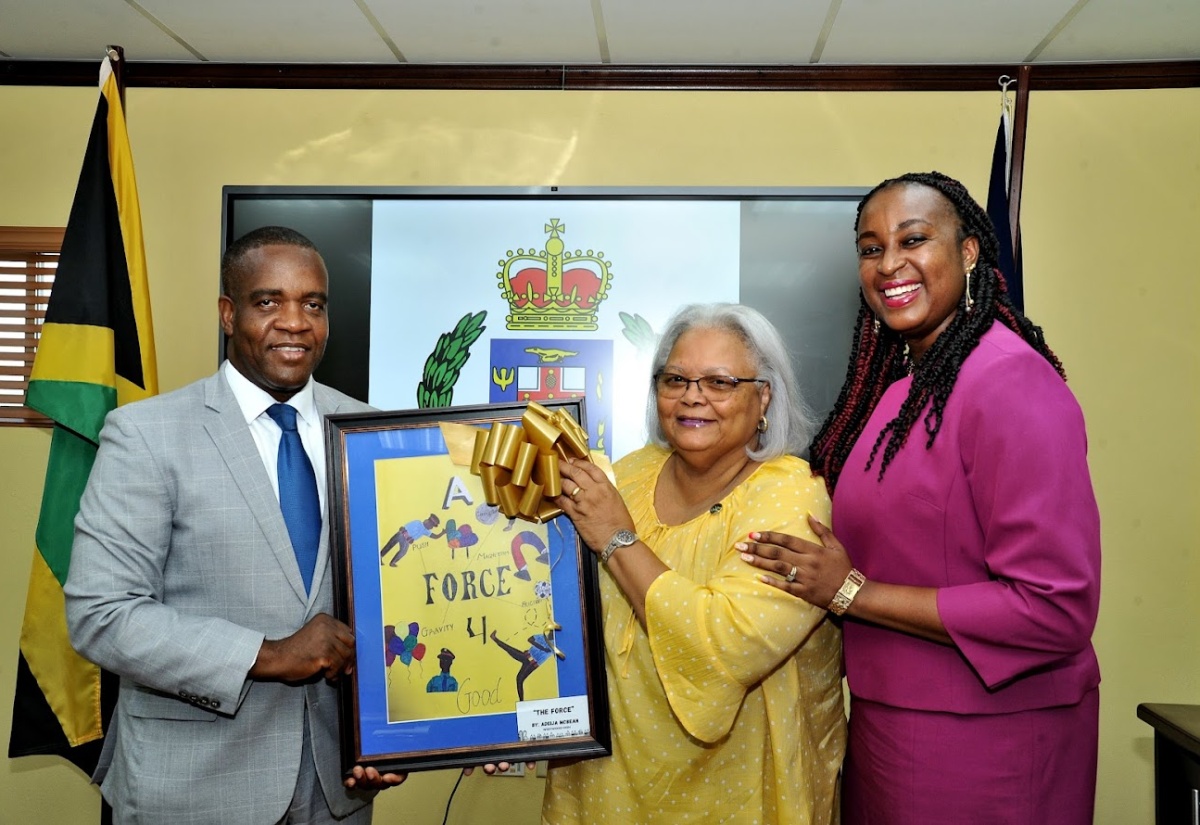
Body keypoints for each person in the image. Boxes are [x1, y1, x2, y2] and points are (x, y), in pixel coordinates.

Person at [741, 171, 1101, 824]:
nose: (889, 264)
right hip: (888, 723)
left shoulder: (1013, 383)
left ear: (968, 252)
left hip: (988, 737)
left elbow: (1055, 607)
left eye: (914, 239)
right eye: (871, 247)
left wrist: (850, 591)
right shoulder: (901, 391)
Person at [65, 226, 405, 823]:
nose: (296, 322)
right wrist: (269, 654)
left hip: (339, 789)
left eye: (314, 304)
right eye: (268, 301)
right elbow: (102, 614)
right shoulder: (146, 435)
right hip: (194, 788)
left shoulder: (372, 432)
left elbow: (395, 597)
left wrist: (397, 729)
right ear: (228, 313)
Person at [543, 303, 845, 824]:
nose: (692, 397)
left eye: (720, 382)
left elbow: (722, 645)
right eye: (676, 378)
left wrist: (617, 538)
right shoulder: (628, 476)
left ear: (764, 396)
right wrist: (512, 719)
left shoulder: (790, 499)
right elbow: (561, 612)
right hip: (603, 788)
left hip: (736, 794)